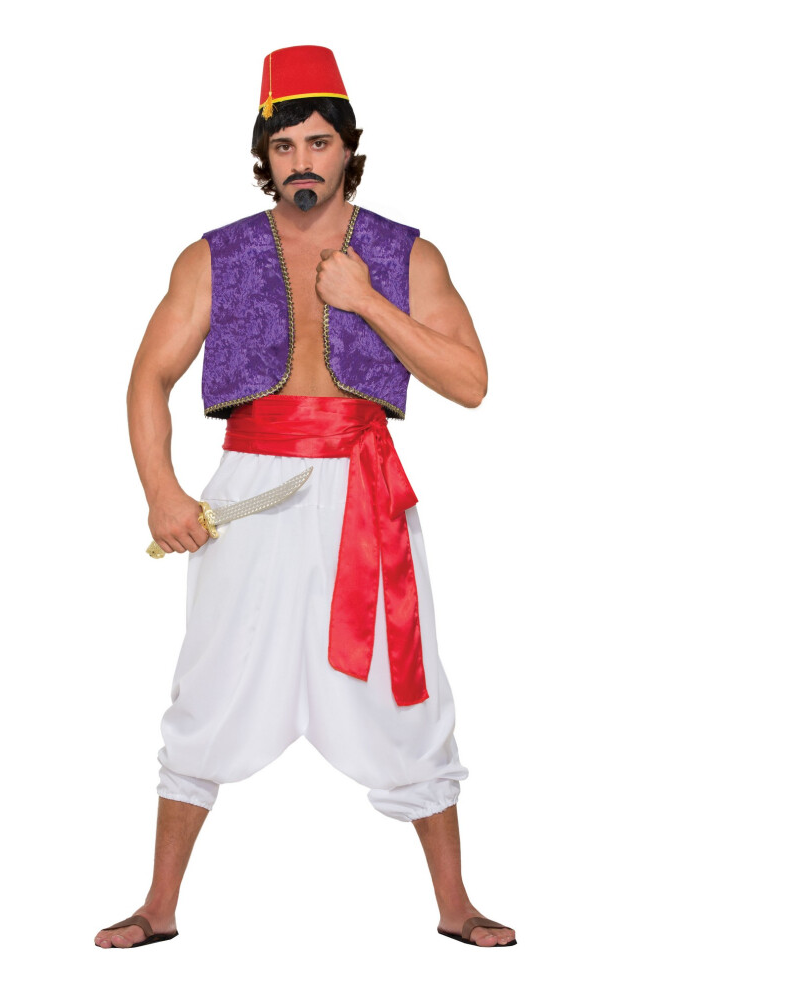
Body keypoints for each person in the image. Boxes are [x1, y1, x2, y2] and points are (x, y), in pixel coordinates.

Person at [95, 45, 516, 950]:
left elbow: (471, 382)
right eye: (283, 147)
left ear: (348, 148)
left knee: (405, 690)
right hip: (250, 485)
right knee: (208, 683)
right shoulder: (214, 256)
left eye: (318, 143)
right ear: (265, 157)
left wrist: (367, 301)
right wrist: (161, 490)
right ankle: (159, 905)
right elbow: (147, 377)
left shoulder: (406, 255)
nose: (301, 162)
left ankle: (455, 904)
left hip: (366, 488)